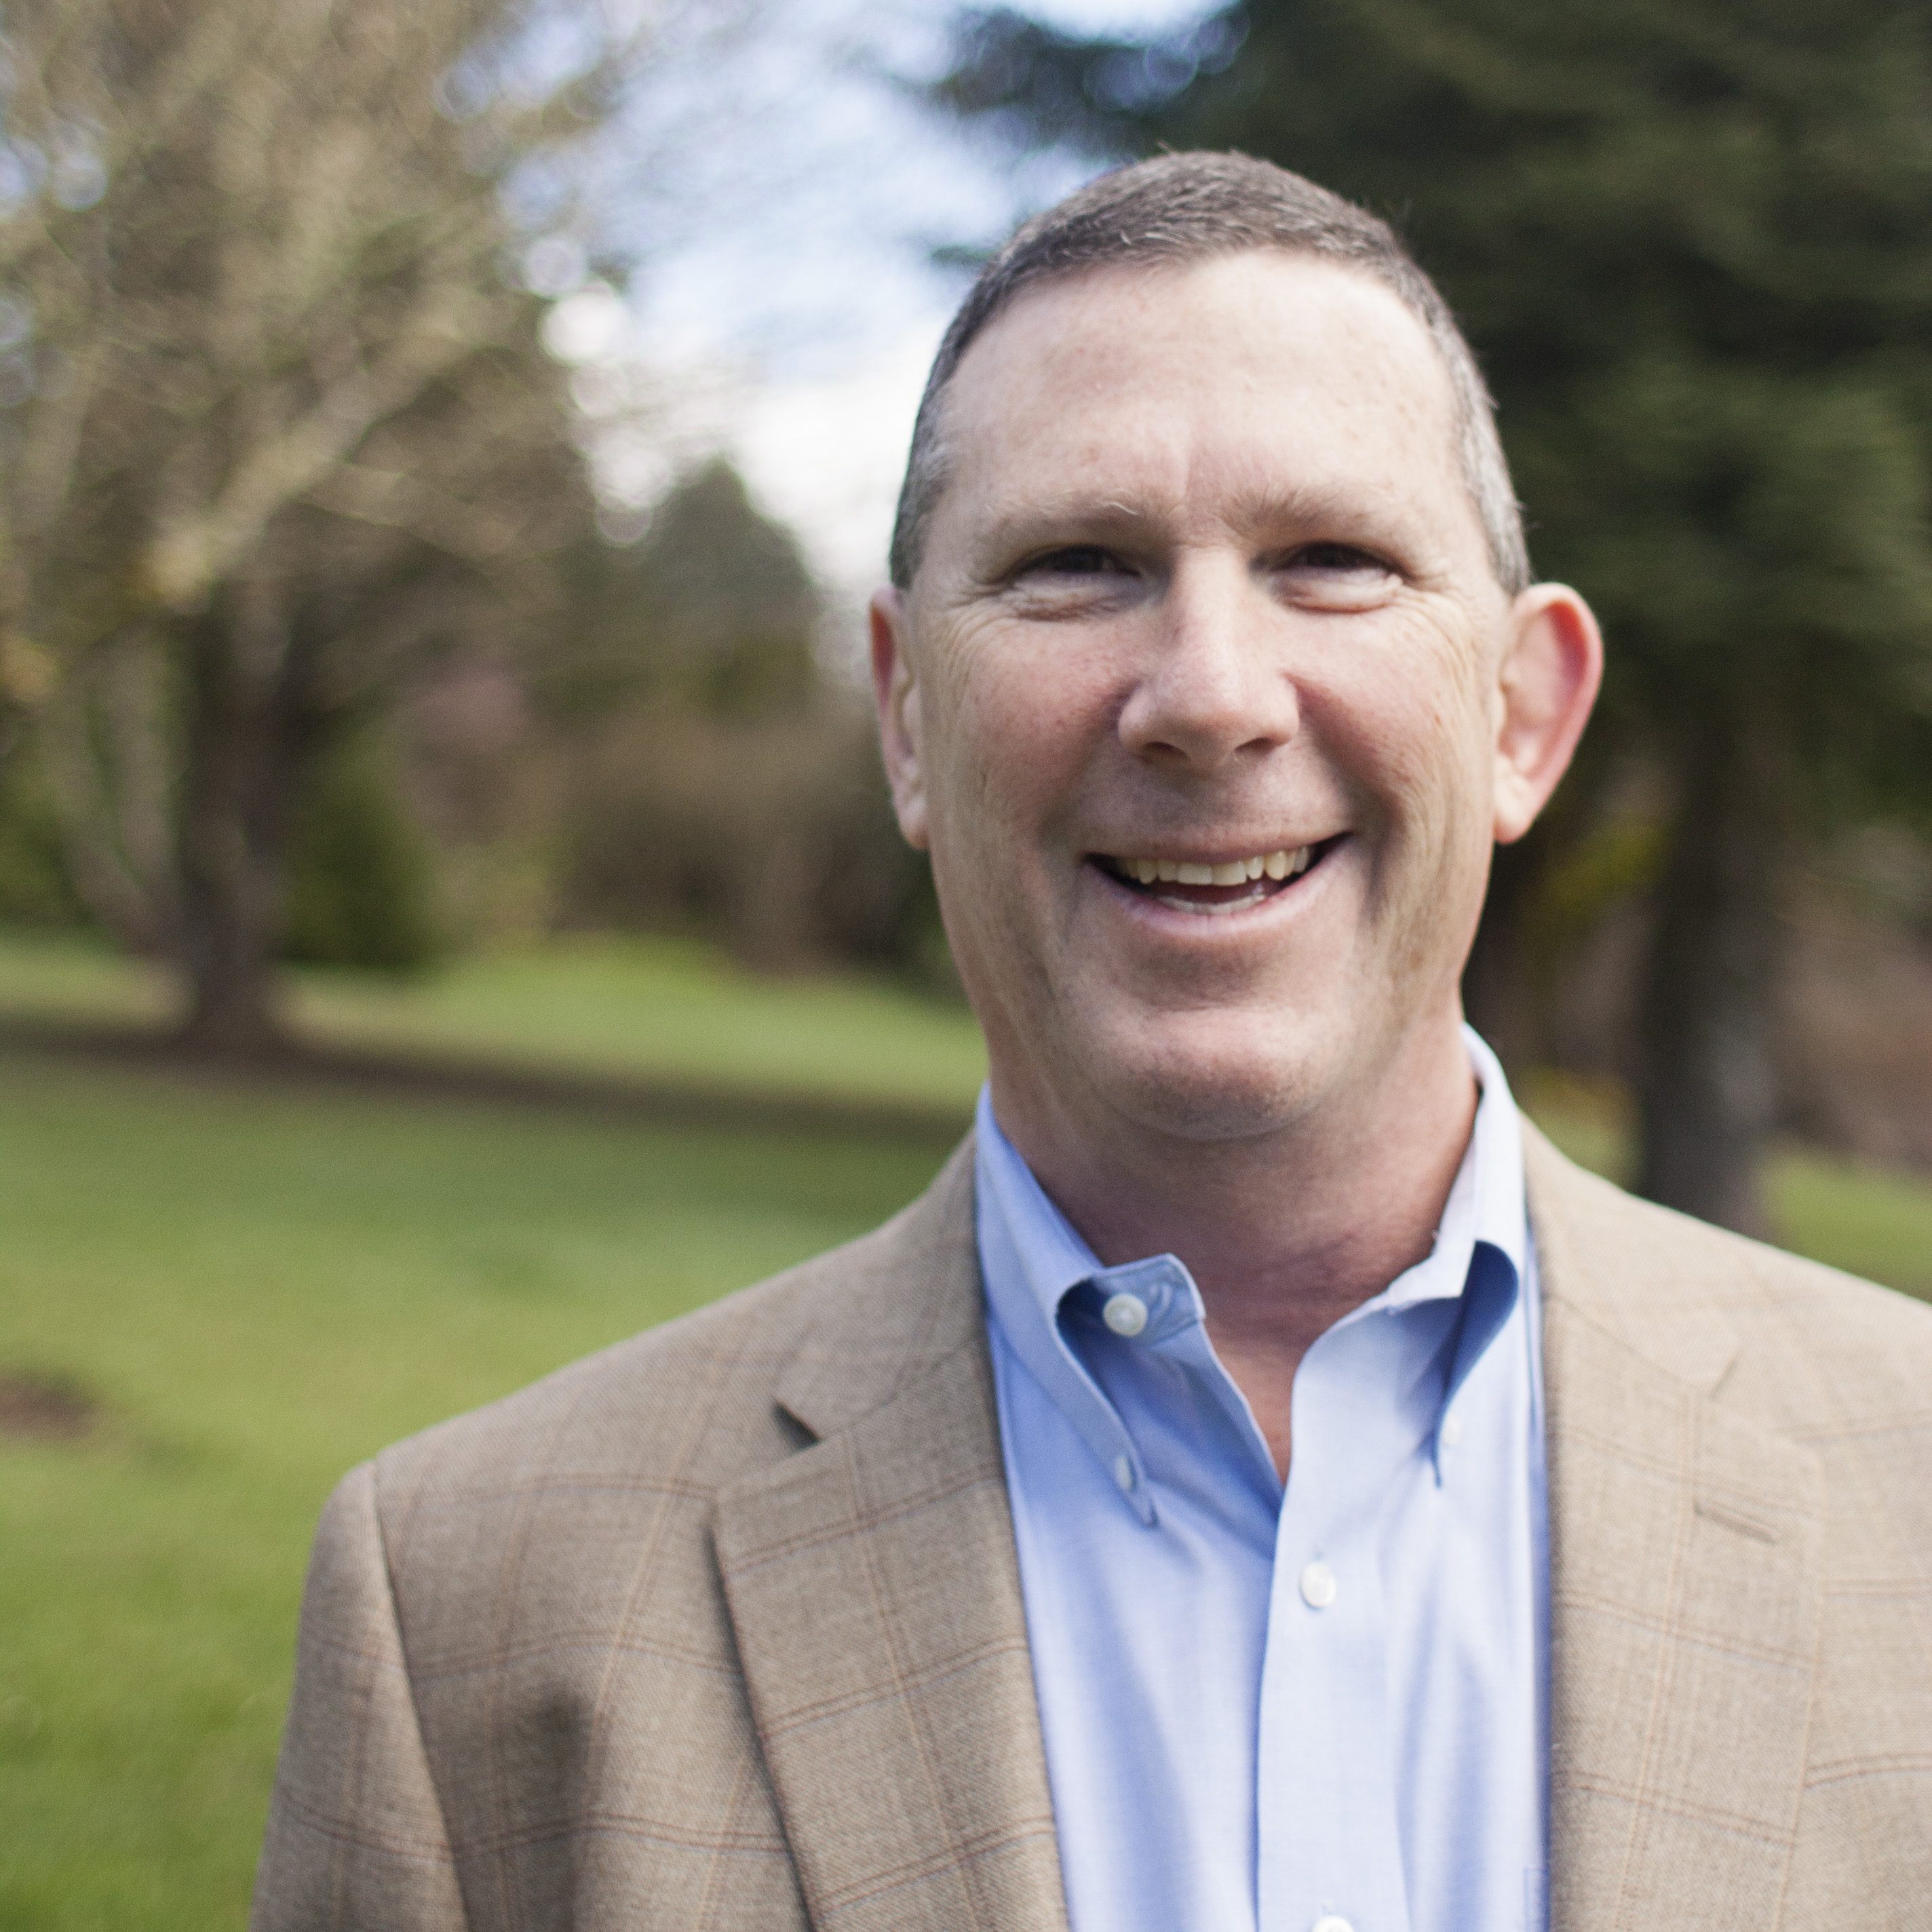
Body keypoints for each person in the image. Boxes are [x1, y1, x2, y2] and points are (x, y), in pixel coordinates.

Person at [252, 154, 1932, 1932]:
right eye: (1077, 567)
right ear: (907, 716)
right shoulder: (468, 1613)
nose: (1209, 695)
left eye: (1333, 561)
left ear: (1522, 712)